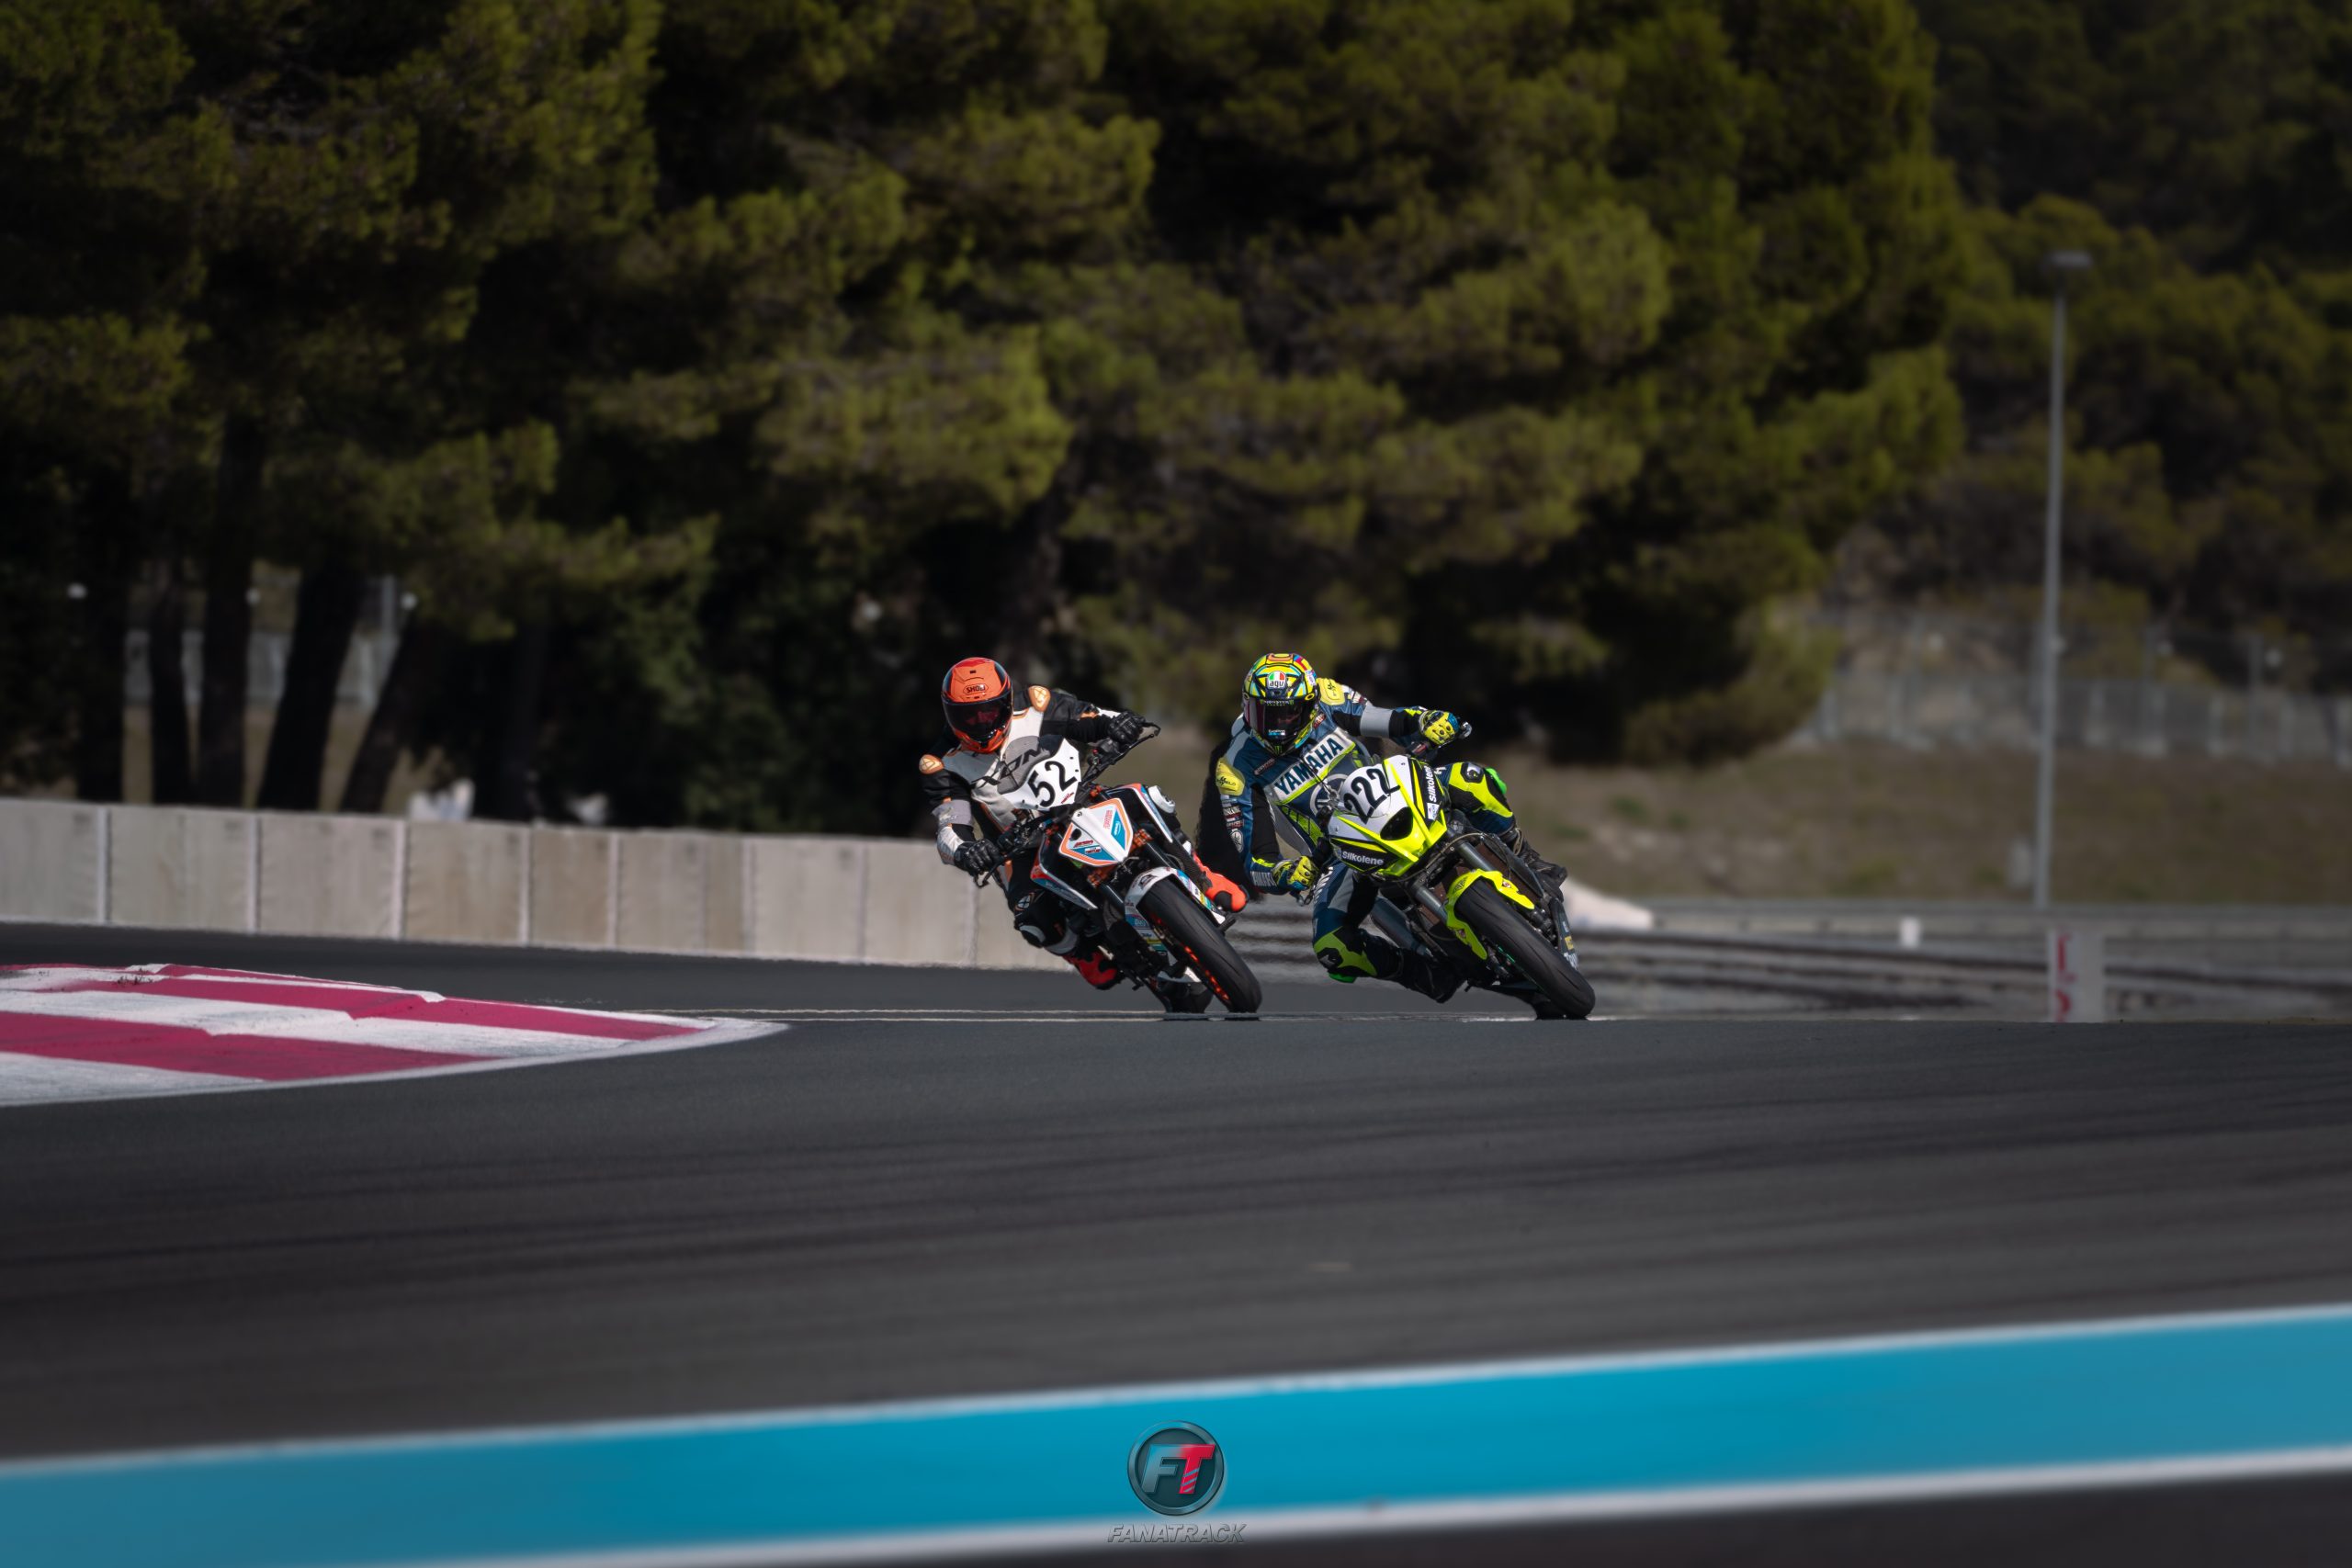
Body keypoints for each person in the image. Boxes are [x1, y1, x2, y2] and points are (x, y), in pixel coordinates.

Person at [1209, 652, 1564, 999]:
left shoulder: (1328, 698)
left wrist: (1427, 721)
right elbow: (1256, 862)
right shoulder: (1235, 767)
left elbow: (1390, 721)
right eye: (1264, 713)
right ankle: (1422, 972)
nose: (1277, 725)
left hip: (1396, 793)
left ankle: (1527, 859)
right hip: (1339, 851)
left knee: (1472, 778)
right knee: (1332, 948)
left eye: (1288, 712)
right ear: (1246, 706)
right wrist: (1286, 873)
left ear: (1310, 703)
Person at [921, 656, 1241, 1011]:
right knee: (1031, 915)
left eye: (988, 711)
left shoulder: (1037, 704)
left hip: (1082, 800)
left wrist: (1120, 723)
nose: (981, 722)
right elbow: (951, 825)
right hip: (1021, 846)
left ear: (1007, 701)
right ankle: (1082, 954)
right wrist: (966, 850)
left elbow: (1093, 717)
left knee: (1147, 797)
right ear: (950, 714)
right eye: (968, 716)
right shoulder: (942, 763)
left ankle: (1201, 874)